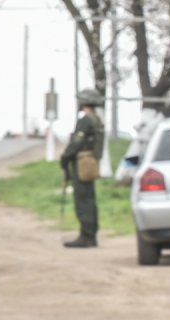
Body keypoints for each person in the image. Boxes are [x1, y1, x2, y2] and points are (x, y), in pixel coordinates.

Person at [59, 88, 105, 248]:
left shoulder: (85, 120)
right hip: (91, 162)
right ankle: (91, 234)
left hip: (82, 162)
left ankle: (86, 236)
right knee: (89, 198)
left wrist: (65, 157)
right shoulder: (97, 119)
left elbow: (77, 142)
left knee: (83, 199)